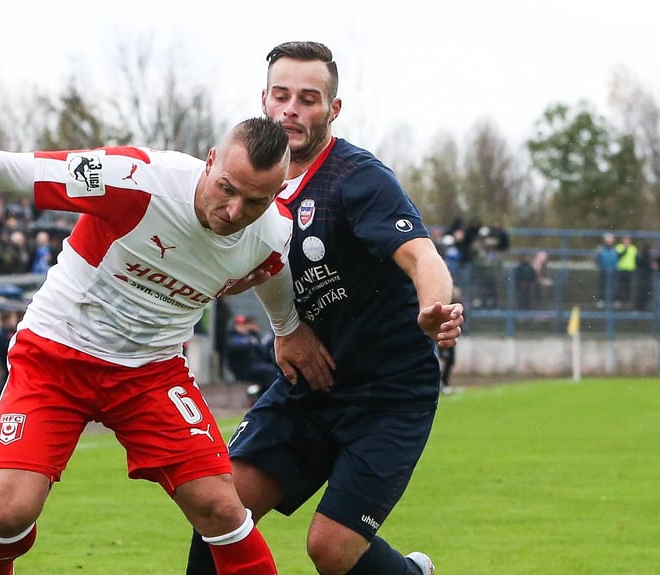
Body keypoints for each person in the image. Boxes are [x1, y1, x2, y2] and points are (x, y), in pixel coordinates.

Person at [0, 116, 336, 575]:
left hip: (150, 374)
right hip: (55, 356)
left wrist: (287, 326)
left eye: (255, 202)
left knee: (221, 507)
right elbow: (8, 168)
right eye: (227, 189)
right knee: (10, 514)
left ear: (277, 194)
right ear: (209, 161)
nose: (234, 212)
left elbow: (276, 275)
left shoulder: (271, 233)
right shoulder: (134, 180)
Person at [186, 42, 463, 575]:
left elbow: (421, 254)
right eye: (282, 95)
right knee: (219, 509)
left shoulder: (357, 179)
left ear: (332, 110)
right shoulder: (243, 184)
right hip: (307, 386)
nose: (292, 109)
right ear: (263, 101)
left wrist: (434, 306)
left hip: (387, 395)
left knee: (331, 550)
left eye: (309, 99)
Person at [224, 315, 277, 400]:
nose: (242, 328)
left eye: (244, 325)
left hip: (253, 366)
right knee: (270, 372)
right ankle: (269, 398)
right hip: (242, 369)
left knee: (272, 371)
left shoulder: (251, 336)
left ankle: (262, 395)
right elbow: (235, 346)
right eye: (239, 325)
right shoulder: (233, 337)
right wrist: (251, 342)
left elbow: (262, 351)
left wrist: (255, 335)